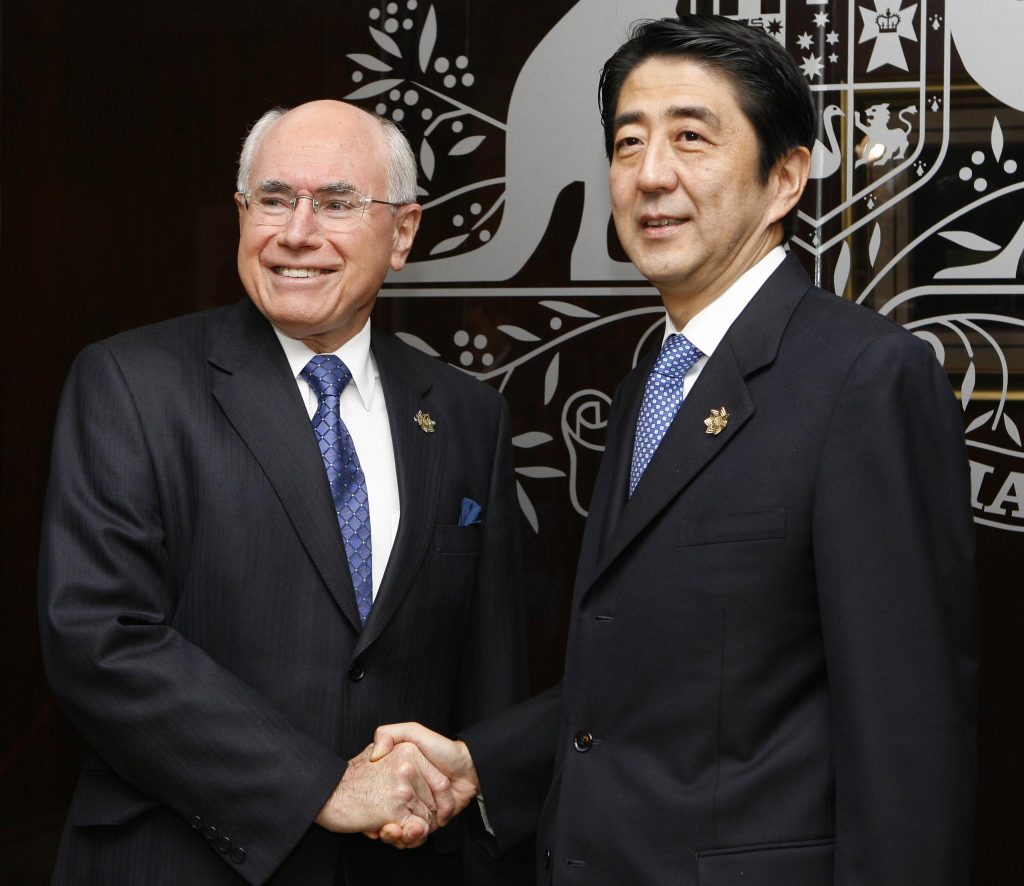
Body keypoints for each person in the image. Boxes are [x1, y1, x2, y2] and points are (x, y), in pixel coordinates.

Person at [370, 15, 978, 885]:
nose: (650, 176)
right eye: (627, 143)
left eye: (692, 138)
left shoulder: (866, 379)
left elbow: (907, 741)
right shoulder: (655, 374)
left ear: (785, 178)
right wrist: (480, 763)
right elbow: (650, 681)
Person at [38, 100, 528, 885]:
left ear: (403, 233)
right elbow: (98, 638)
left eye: (337, 203)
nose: (297, 233)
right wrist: (322, 787)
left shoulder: (469, 416)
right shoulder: (131, 383)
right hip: (181, 860)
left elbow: (490, 674)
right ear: (241, 213)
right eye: (273, 199)